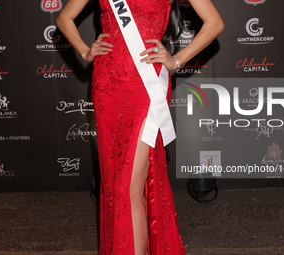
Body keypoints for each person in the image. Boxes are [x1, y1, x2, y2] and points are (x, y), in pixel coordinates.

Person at [57, 0, 224, 254]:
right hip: (107, 85)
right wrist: (85, 51)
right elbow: (64, 18)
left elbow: (215, 23)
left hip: (146, 89)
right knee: (114, 184)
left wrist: (177, 60)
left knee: (128, 187)